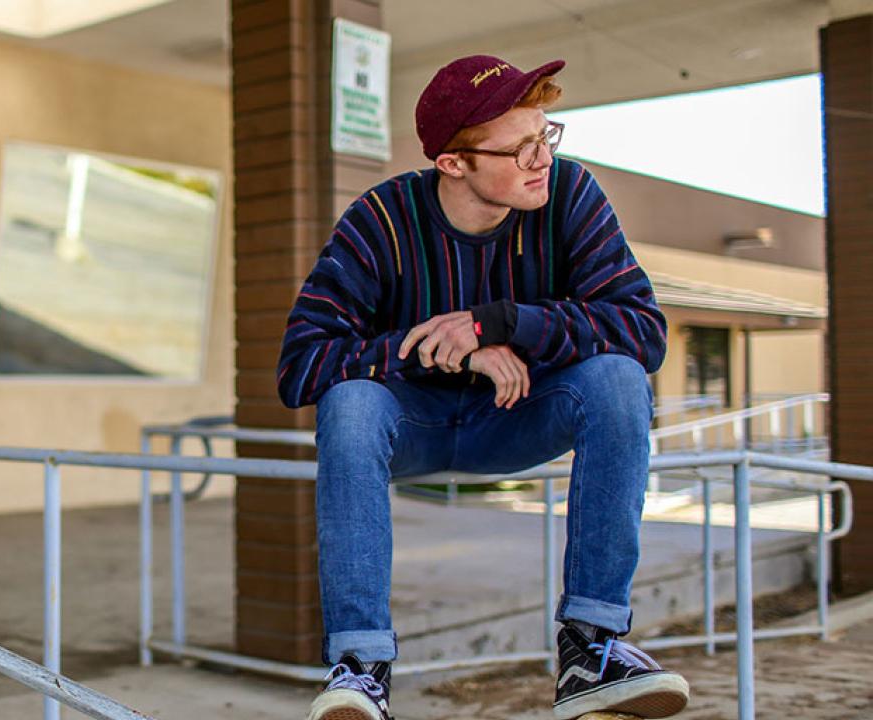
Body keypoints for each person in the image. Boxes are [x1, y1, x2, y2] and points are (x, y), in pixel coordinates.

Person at [276, 55, 690, 720]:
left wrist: (496, 324)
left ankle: (592, 648)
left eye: (546, 135)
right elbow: (300, 364)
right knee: (349, 401)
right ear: (453, 163)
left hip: (519, 416)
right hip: (409, 428)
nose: (542, 159)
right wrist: (445, 352)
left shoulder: (570, 198)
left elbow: (642, 330)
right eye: (521, 146)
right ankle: (361, 666)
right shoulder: (380, 219)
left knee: (619, 377)